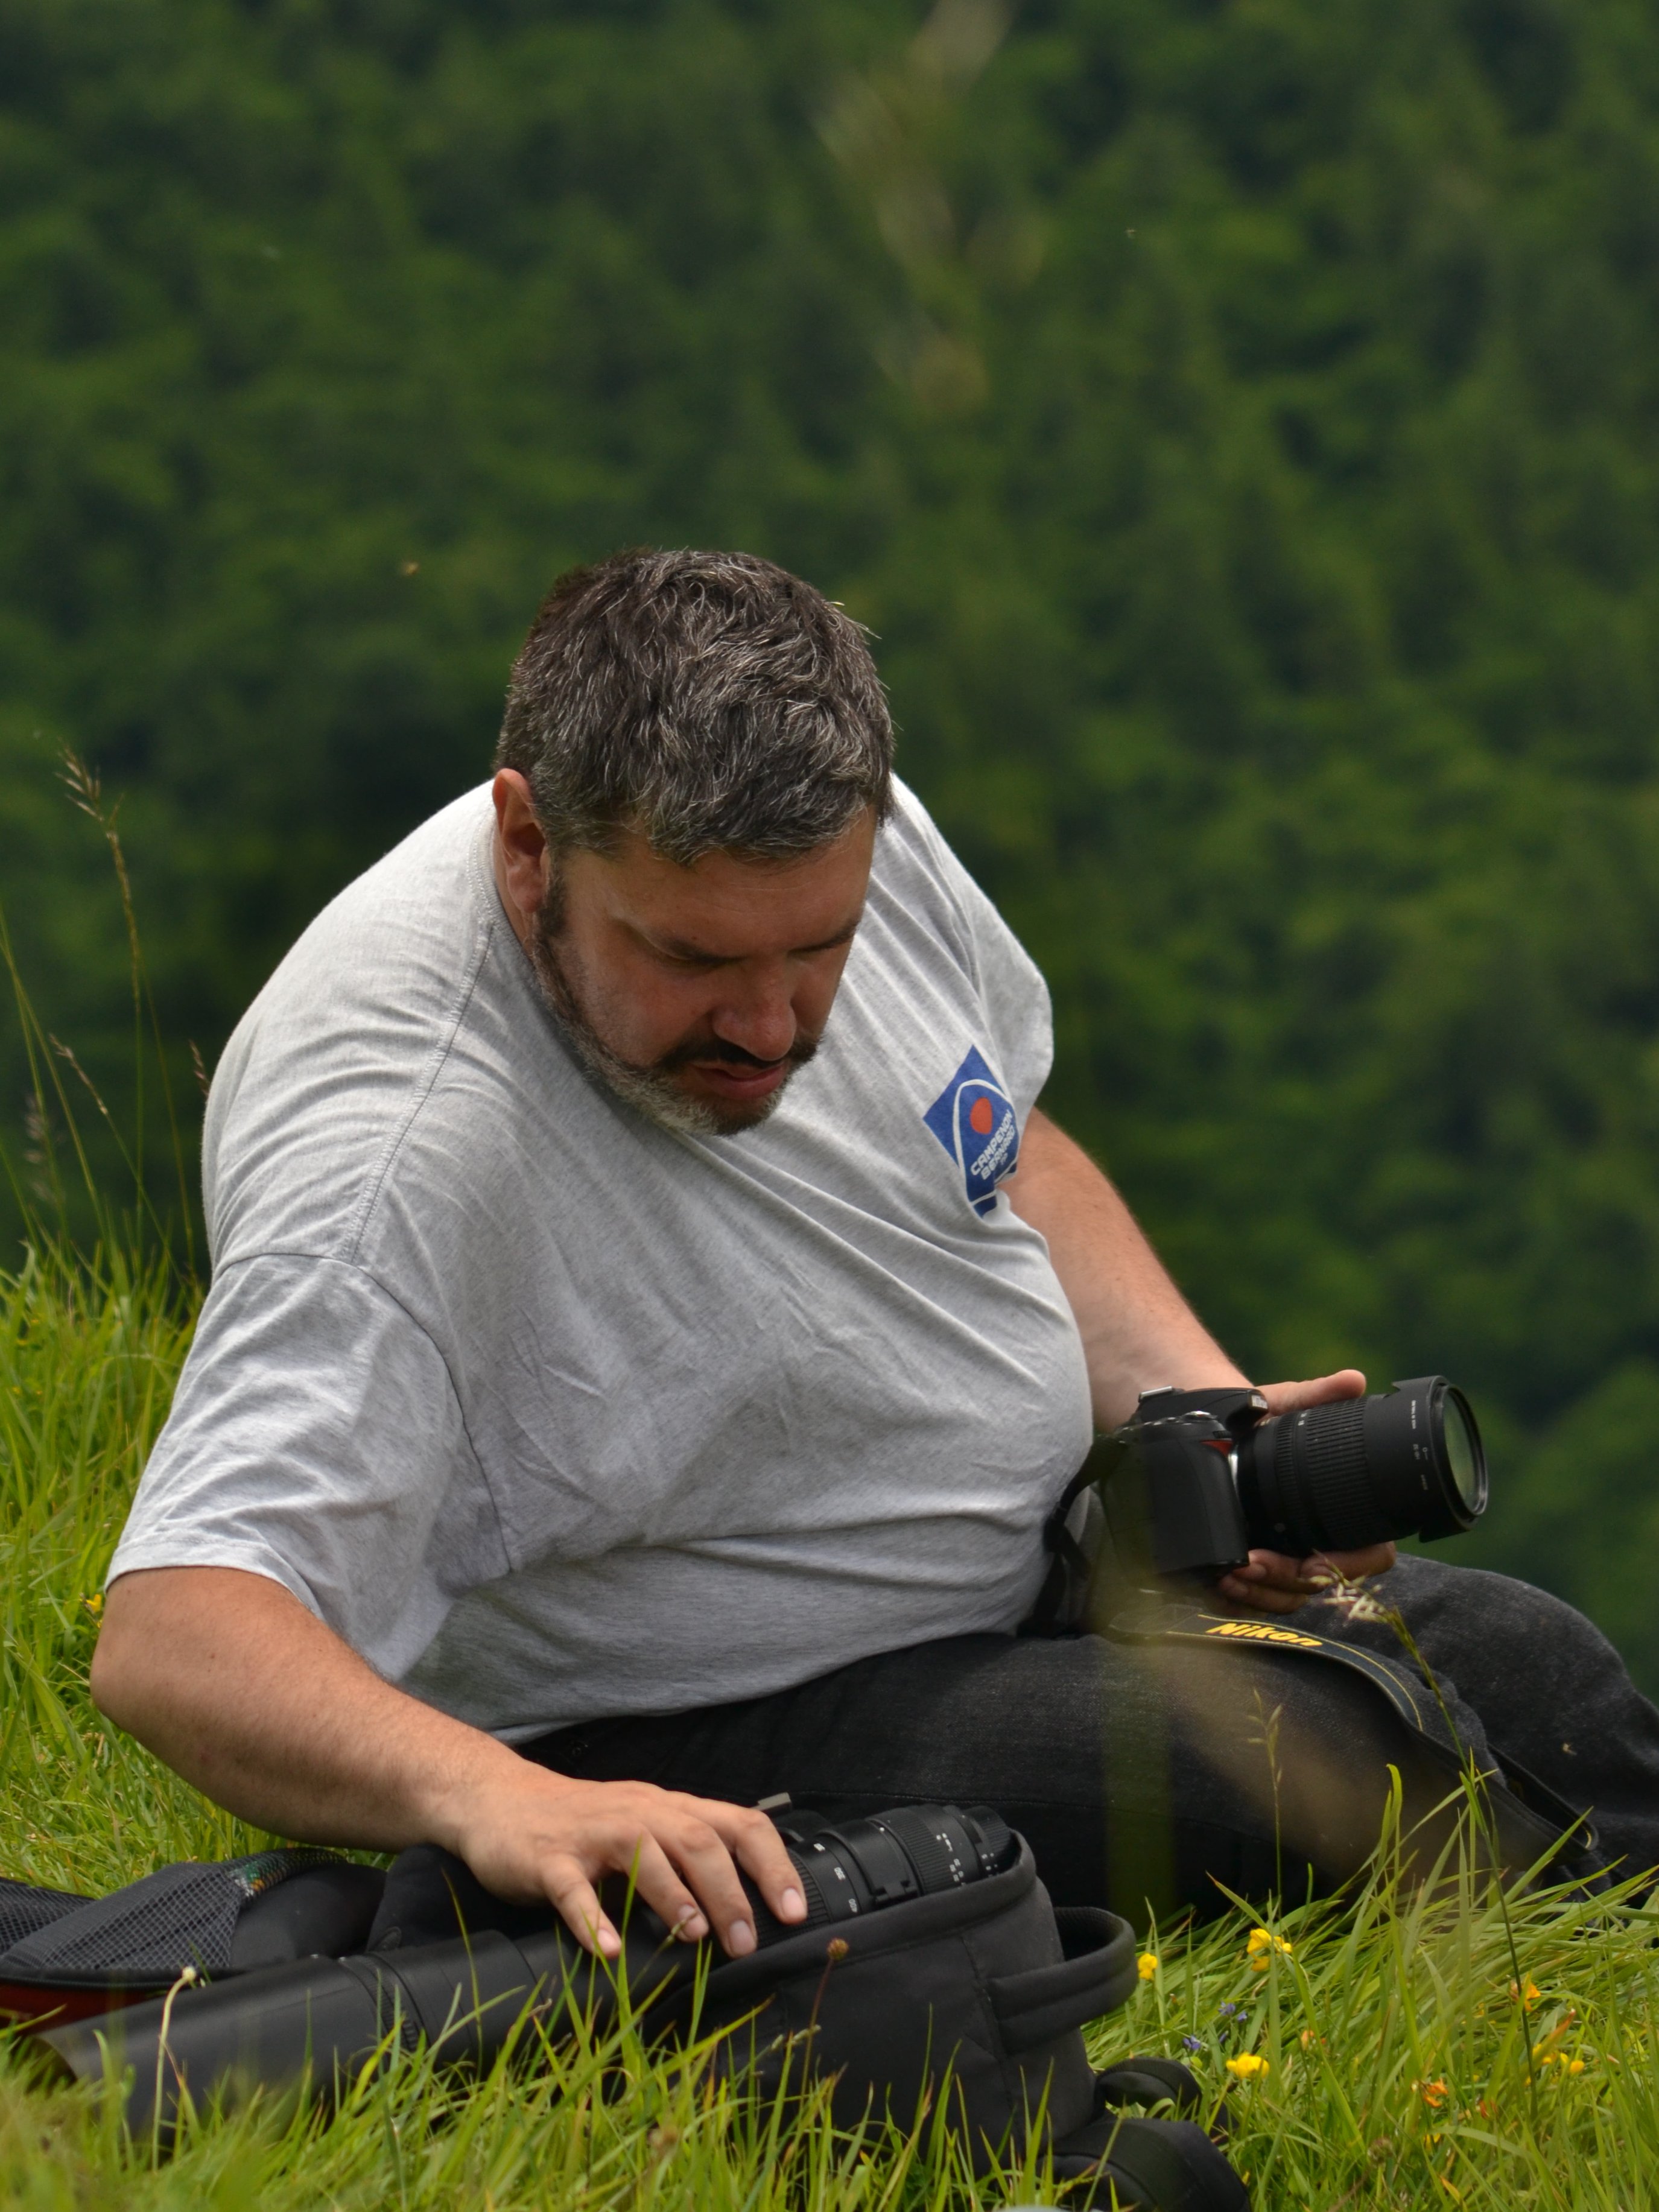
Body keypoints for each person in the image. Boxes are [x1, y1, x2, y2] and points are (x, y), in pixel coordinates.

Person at [91, 550, 1659, 1960]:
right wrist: (494, 1798)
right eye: (695, 959)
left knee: (1547, 1678)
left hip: (1038, 1568)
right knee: (1308, 1782)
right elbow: (175, 1631)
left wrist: (1207, 1415)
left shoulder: (848, 829)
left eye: (816, 949)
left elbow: (1004, 1150)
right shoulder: (396, 1159)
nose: (772, 1025)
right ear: (528, 848)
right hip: (690, 1716)